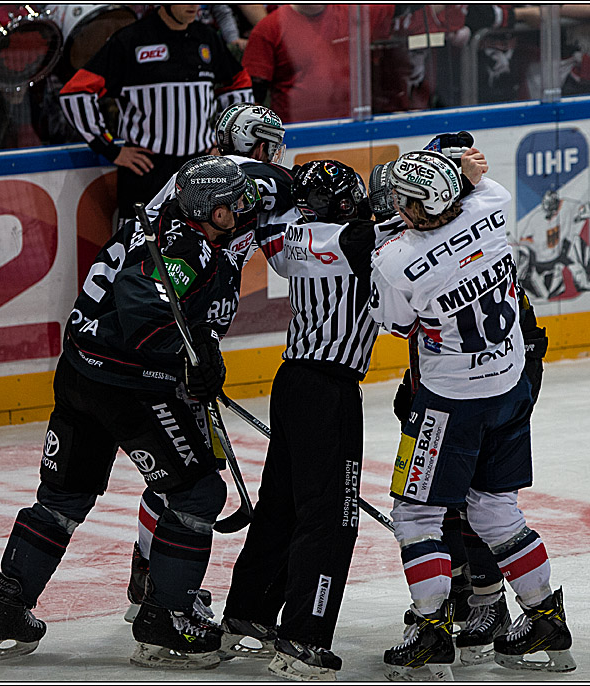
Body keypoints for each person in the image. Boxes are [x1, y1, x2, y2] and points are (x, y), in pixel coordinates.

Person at [0, 155, 260, 671]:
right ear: (209, 211)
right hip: (127, 386)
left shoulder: (152, 222)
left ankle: (8, 610)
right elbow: (141, 302)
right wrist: (193, 355)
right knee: (198, 493)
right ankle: (165, 621)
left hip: (78, 374)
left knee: (63, 497)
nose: (244, 208)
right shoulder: (187, 247)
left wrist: (193, 353)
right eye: (234, 203)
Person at [370, 148, 575, 679]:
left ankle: (431, 630)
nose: (398, 205)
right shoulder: (492, 206)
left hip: (449, 401)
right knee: (494, 510)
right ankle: (546, 618)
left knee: (416, 515)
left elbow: (397, 325)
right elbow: (477, 183)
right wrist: (464, 175)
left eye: (405, 199)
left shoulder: (394, 259)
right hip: (510, 384)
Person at [123, 102, 295, 623]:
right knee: (190, 475)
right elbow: (281, 184)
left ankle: (148, 573)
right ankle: (158, 585)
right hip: (165, 335)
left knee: (183, 470)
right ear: (256, 145)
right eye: (269, 145)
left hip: (179, 333)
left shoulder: (212, 183)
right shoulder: (223, 180)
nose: (274, 155)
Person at [218, 160, 383, 681]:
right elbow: (406, 226)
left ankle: (247, 612)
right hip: (330, 391)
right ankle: (303, 640)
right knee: (331, 518)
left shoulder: (291, 238)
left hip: (291, 383)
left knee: (282, 507)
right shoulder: (359, 241)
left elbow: (276, 227)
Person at [59, 5, 254, 221]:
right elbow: (75, 92)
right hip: (147, 171)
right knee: (139, 240)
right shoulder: (130, 39)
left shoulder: (206, 37)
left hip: (201, 169)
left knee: (199, 239)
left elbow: (238, 82)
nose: (194, 5)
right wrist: (109, 148)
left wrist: (226, 143)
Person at [242, 4, 393, 123]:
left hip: (353, 127)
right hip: (294, 134)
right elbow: (252, 96)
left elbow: (396, 11)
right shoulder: (268, 29)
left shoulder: (356, 14)